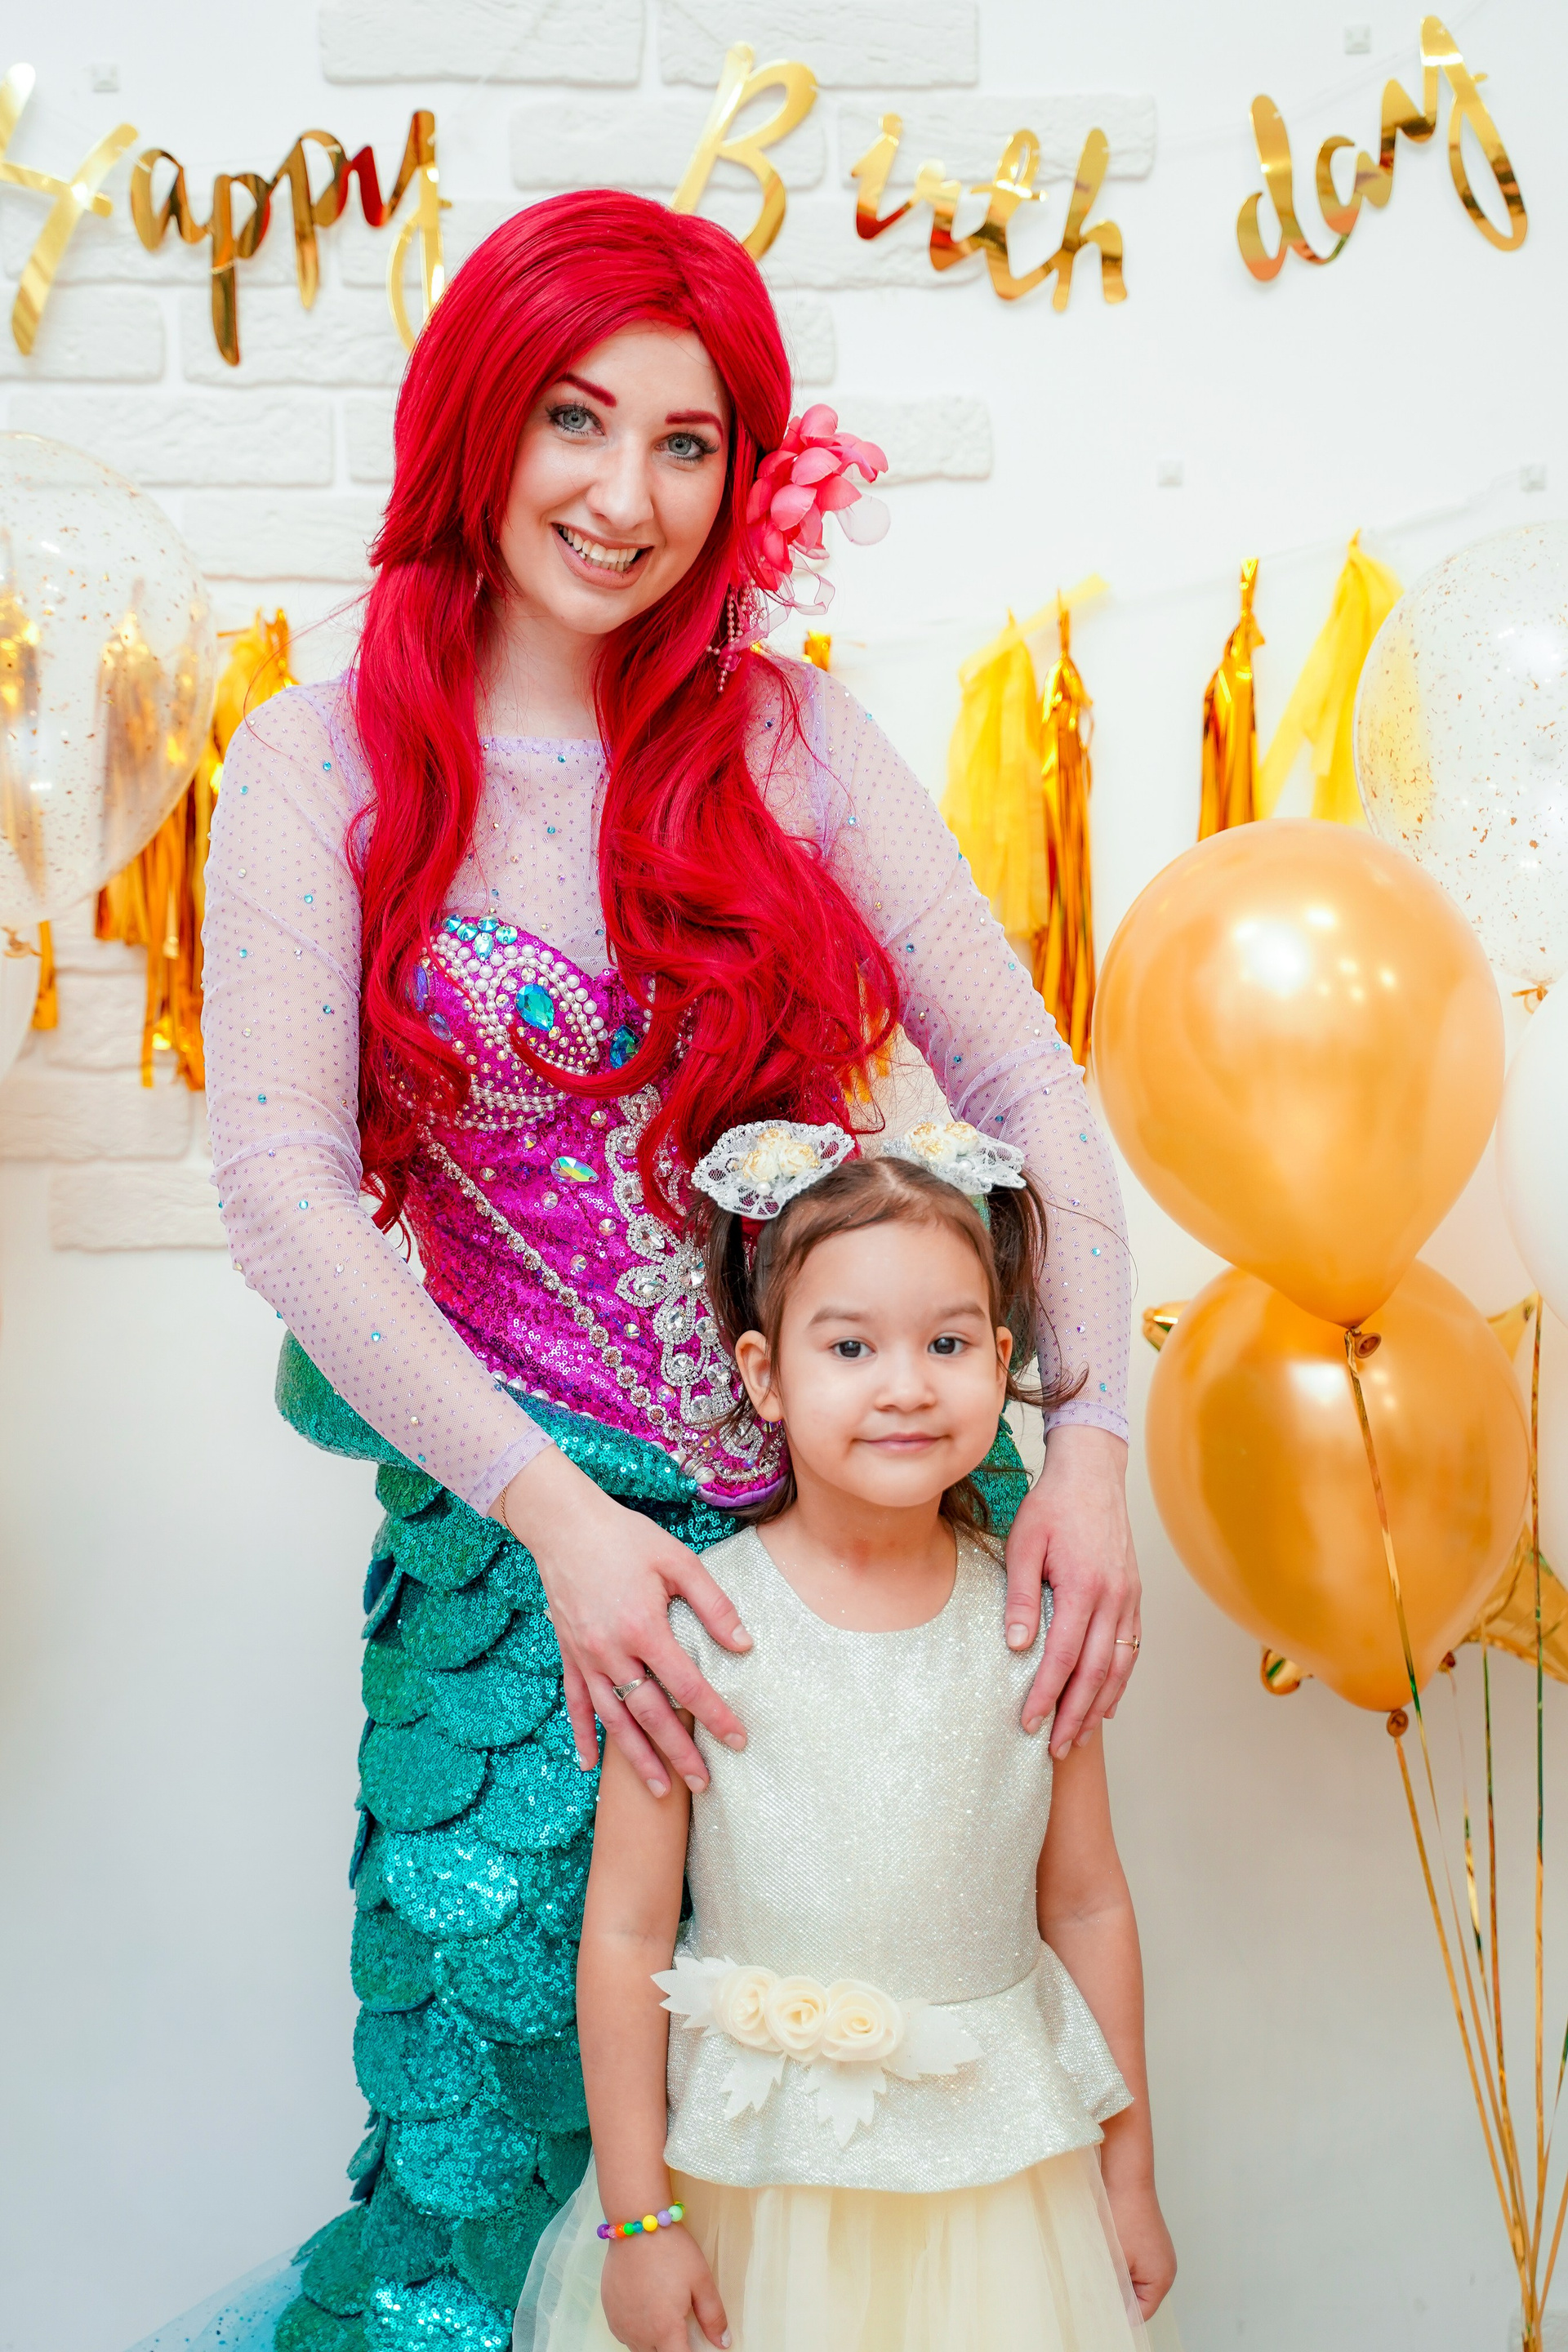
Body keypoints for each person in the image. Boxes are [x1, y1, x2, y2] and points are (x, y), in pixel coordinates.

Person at [167, 189, 1139, 2351]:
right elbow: (281, 1192)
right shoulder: (320, 763)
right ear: (476, 422)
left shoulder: (791, 739)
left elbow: (1029, 1084)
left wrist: (1092, 1445)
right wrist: (561, 1521)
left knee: (870, 2135)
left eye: (688, 443)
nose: (627, 496)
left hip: (867, 1533)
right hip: (531, 1578)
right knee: (496, 2151)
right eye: (576, 420)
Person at [517, 1127, 1174, 2352]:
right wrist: (639, 2220)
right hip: (756, 2193)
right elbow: (629, 1932)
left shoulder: (1034, 1625)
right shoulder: (695, 1629)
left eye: (949, 1343)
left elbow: (1086, 1905)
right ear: (765, 1375)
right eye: (852, 1347)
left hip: (1001, 2193)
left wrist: (1128, 2175)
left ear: (1003, 1360)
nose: (907, 1385)